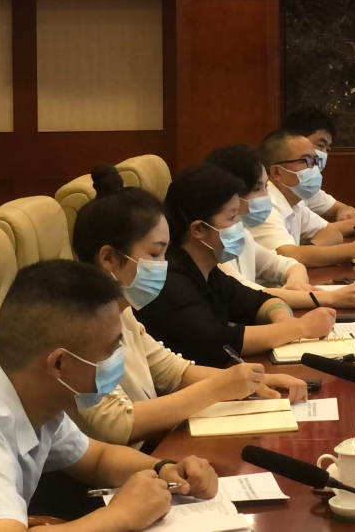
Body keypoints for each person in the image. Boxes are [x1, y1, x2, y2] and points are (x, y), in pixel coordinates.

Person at [0, 260, 218, 532]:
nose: (119, 358)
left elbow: (98, 459)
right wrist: (121, 516)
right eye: (111, 350)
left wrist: (165, 469)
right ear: (58, 364)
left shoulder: (33, 393)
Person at [69, 165, 307, 446]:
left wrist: (253, 380)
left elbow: (174, 372)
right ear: (109, 258)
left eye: (165, 252)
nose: (164, 265)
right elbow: (118, 422)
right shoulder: (75, 327)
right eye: (154, 253)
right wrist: (219, 388)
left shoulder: (123, 312)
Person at [134, 163, 338, 367]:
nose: (240, 226)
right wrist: (299, 328)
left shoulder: (208, 271)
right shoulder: (171, 278)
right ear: (199, 229)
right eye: (232, 218)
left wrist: (281, 317)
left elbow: (257, 301)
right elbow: (215, 342)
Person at [205, 144, 355, 311]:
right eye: (258, 189)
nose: (267, 195)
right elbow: (246, 293)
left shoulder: (241, 233)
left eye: (266, 186)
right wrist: (331, 298)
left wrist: (297, 282)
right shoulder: (211, 241)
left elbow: (288, 263)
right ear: (230, 194)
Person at [252, 131, 355, 268]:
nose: (314, 168)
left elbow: (331, 233)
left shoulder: (295, 201)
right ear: (277, 172)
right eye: (304, 161)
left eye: (315, 161)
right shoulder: (263, 205)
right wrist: (354, 249)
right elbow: (286, 256)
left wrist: (309, 252)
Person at [280, 108, 355, 226]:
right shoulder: (271, 198)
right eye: (320, 145)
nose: (324, 154)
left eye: (328, 149)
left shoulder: (304, 187)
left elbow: (334, 214)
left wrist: (346, 213)